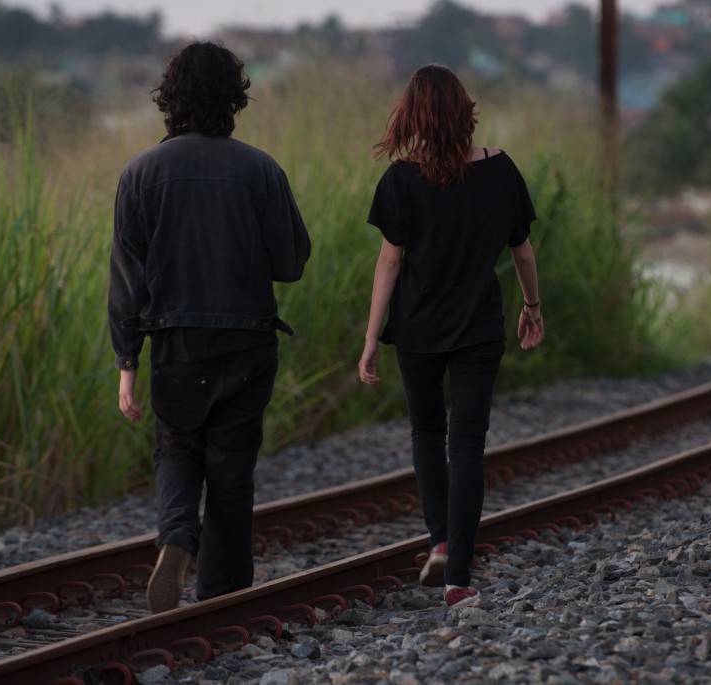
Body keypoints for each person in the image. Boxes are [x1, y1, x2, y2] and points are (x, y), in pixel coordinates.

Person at [108, 40, 311, 613]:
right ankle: (223, 596)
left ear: (169, 98)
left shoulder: (141, 173)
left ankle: (176, 539)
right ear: (234, 98)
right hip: (248, 340)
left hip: (176, 343)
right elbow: (291, 263)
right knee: (231, 465)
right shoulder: (260, 169)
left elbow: (127, 280)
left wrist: (127, 363)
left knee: (177, 447)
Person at [358, 64, 544, 608]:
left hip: (416, 328)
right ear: (465, 111)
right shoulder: (502, 170)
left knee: (425, 432)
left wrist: (372, 337)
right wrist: (532, 306)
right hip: (478, 329)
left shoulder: (398, 180)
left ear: (411, 116)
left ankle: (438, 538)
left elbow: (389, 262)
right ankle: (459, 577)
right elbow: (523, 251)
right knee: (466, 444)